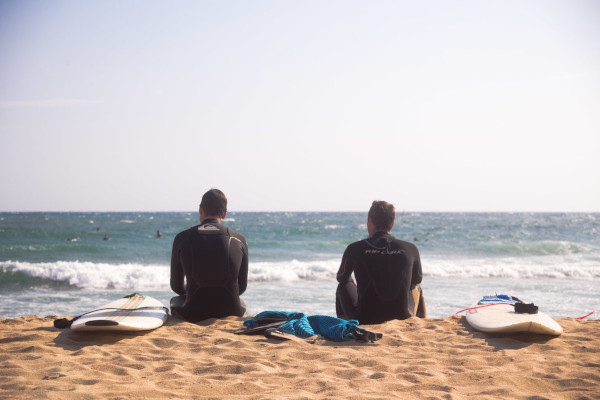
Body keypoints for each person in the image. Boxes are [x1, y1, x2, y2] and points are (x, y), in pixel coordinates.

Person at [335, 201, 425, 324]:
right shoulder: (410, 248)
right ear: (392, 222)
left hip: (364, 318)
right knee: (417, 287)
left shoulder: (354, 248)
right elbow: (417, 280)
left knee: (343, 284)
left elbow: (341, 277)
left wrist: (353, 283)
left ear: (370, 220)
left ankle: (346, 327)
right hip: (402, 316)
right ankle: (419, 326)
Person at [170, 189, 248, 322]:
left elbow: (176, 286)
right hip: (231, 311)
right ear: (224, 214)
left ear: (200, 209)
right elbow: (241, 286)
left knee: (175, 300)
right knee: (241, 301)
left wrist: (190, 293)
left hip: (192, 313)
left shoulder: (182, 238)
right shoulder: (239, 239)